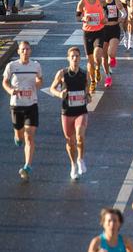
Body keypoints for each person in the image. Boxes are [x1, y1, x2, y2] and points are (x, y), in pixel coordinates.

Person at [2, 40, 42, 180]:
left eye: (27, 49)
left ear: (30, 51)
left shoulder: (36, 65)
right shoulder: (12, 66)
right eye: (22, 49)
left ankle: (27, 165)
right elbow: (5, 82)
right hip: (16, 105)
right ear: (18, 51)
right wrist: (10, 90)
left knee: (29, 136)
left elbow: (40, 80)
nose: (25, 52)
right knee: (19, 136)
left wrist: (36, 84)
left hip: (32, 104)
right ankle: (16, 137)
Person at [49, 46, 90, 181]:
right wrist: (60, 94)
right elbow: (52, 88)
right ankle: (73, 164)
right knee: (70, 141)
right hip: (67, 112)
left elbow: (87, 91)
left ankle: (81, 159)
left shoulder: (85, 74)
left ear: (80, 58)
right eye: (72, 56)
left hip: (81, 111)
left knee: (80, 137)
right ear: (68, 58)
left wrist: (88, 96)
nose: (75, 59)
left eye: (77, 56)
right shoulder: (62, 73)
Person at [77, 0, 107, 94]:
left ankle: (98, 68)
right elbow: (77, 16)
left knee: (97, 56)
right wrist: (84, 18)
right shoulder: (82, 2)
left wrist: (105, 18)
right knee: (90, 60)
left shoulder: (101, 0)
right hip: (87, 32)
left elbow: (106, 11)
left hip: (99, 31)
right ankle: (93, 81)